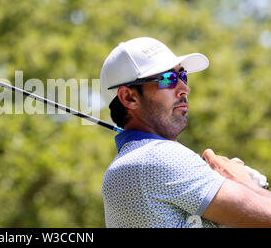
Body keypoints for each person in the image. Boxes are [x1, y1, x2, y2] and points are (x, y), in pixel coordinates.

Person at [100, 37, 271, 228]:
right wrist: (244, 183)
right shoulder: (158, 156)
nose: (185, 88)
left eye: (183, 76)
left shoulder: (133, 161)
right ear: (129, 97)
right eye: (168, 79)